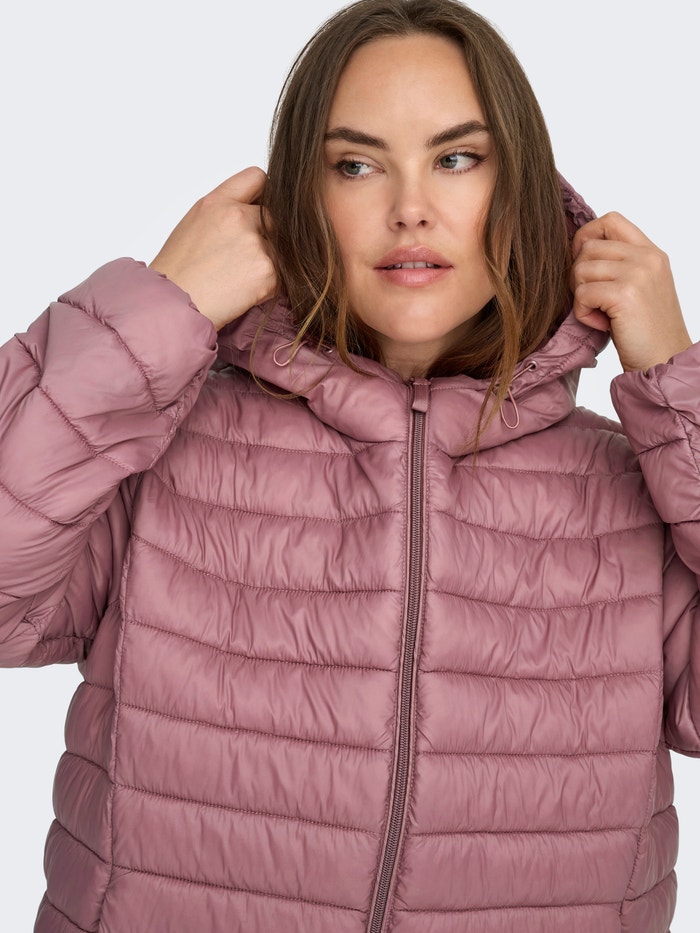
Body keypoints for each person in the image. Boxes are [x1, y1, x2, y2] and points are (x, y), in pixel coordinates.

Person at [0, 0, 697, 930]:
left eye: (458, 158)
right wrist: (157, 312)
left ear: (523, 189)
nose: (410, 207)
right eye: (356, 165)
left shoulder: (631, 487)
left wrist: (680, 387)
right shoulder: (160, 445)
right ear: (300, 202)